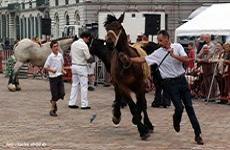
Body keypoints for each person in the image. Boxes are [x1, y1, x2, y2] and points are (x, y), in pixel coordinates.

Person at [129, 30, 204, 145]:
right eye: (158, 40)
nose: (159, 43)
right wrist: (129, 59)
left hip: (181, 80)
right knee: (179, 107)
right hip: (170, 83)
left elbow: (186, 59)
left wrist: (174, 55)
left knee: (189, 107)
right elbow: (143, 59)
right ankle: (176, 119)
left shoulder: (177, 46)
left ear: (167, 39)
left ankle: (198, 134)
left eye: (160, 40)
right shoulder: (158, 53)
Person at [68, 31, 94, 109]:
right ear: (87, 37)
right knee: (84, 86)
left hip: (74, 65)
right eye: (88, 39)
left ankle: (71, 102)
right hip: (81, 66)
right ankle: (84, 104)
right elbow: (88, 58)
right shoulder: (84, 45)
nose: (88, 41)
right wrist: (92, 58)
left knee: (74, 85)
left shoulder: (73, 44)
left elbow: (70, 55)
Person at [44, 40, 66, 117]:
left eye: (57, 46)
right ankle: (52, 110)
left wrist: (63, 70)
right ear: (51, 48)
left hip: (59, 76)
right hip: (53, 77)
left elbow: (62, 63)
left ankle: (53, 101)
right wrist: (52, 70)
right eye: (54, 46)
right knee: (55, 94)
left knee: (62, 93)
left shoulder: (60, 55)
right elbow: (46, 67)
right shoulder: (50, 57)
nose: (56, 48)